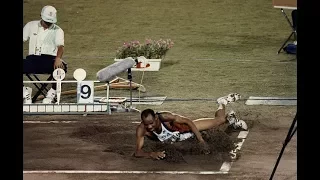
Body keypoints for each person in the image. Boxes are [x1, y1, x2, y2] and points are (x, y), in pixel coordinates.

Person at [134, 93, 248, 160]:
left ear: (156, 118)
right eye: (146, 124)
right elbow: (137, 152)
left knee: (219, 121)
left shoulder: (166, 117)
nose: (149, 126)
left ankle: (222, 102)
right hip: (183, 141)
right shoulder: (141, 130)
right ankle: (231, 119)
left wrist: (201, 140)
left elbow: (188, 121)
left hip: (188, 129)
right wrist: (151, 154)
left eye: (151, 123)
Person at [23, 5, 67, 104]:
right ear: (41, 16)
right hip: (32, 59)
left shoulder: (58, 30)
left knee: (62, 67)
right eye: (46, 21)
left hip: (49, 60)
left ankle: (51, 94)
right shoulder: (30, 25)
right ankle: (25, 92)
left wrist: (58, 58)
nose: (48, 23)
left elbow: (60, 46)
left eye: (50, 21)